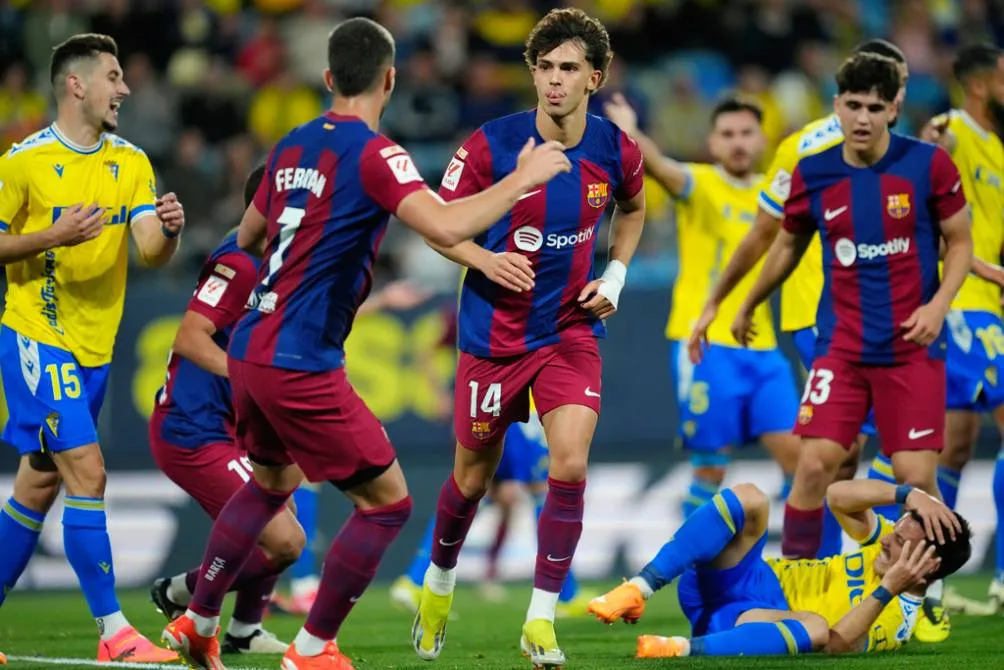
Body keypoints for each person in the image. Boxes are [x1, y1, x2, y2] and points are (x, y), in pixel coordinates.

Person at [160, 16, 571, 670]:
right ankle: (313, 648)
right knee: (388, 504)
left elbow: (246, 235)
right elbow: (441, 221)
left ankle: (198, 621)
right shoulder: (377, 154)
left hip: (252, 347)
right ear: (390, 78)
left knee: (269, 484)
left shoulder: (292, 143)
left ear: (327, 78)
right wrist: (519, 181)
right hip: (301, 357)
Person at [411, 9, 646, 667]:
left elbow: (635, 209)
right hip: (493, 337)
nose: (554, 80)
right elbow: (436, 223)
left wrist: (618, 275)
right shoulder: (490, 145)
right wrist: (484, 261)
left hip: (570, 330)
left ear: (593, 77)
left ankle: (540, 621)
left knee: (568, 463)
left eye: (568, 68)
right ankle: (439, 587)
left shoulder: (614, 149)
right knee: (470, 481)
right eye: (544, 67)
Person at [733, 50, 972, 640]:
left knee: (919, 476)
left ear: (894, 108)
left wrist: (938, 306)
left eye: (875, 107)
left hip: (911, 348)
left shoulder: (929, 166)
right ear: (836, 105)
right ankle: (795, 586)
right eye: (852, 105)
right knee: (815, 464)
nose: (862, 118)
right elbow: (787, 246)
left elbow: (959, 243)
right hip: (840, 346)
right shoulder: (813, 171)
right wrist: (747, 300)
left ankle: (926, 596)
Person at [689, 39, 912, 563]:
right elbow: (765, 234)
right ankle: (813, 572)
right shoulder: (805, 148)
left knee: (868, 453)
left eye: (893, 87)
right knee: (831, 454)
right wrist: (719, 302)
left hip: (892, 319)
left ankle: (856, 565)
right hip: (820, 316)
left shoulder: (909, 152)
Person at [0, 33, 184, 664]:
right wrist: (53, 235)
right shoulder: (22, 163)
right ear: (76, 84)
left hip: (93, 349)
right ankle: (115, 634)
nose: (125, 88)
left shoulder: (130, 161)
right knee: (90, 471)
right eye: (113, 76)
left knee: (36, 487)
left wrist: (169, 232)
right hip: (34, 334)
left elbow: (151, 250)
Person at [603, 92, 799, 519]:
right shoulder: (700, 183)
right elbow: (660, 167)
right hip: (705, 346)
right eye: (727, 134)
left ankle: (805, 570)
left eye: (747, 133)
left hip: (763, 348)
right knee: (710, 468)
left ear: (762, 141)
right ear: (713, 144)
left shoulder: (776, 197)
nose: (738, 143)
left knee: (801, 465)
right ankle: (696, 575)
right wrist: (632, 131)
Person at [148, 165, 298, 656]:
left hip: (230, 427)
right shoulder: (238, 263)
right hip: (194, 429)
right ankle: (185, 597)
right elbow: (189, 338)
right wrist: (249, 376)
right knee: (284, 541)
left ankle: (243, 630)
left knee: (284, 509)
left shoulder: (273, 262)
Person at [588, 477, 970, 657]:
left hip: (746, 621)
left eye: (901, 542)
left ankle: (677, 649)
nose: (887, 539)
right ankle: (639, 588)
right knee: (751, 497)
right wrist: (909, 494)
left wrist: (888, 588)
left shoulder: (897, 619)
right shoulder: (885, 541)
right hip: (742, 577)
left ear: (927, 565)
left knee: (818, 628)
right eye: (895, 531)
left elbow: (836, 645)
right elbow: (837, 495)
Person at [921, 44, 1004, 618]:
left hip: (988, 309)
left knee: (960, 445)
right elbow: (930, 215)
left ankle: (966, 581)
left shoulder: (997, 146)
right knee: (947, 448)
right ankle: (930, 581)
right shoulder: (949, 130)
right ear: (980, 84)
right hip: (960, 307)